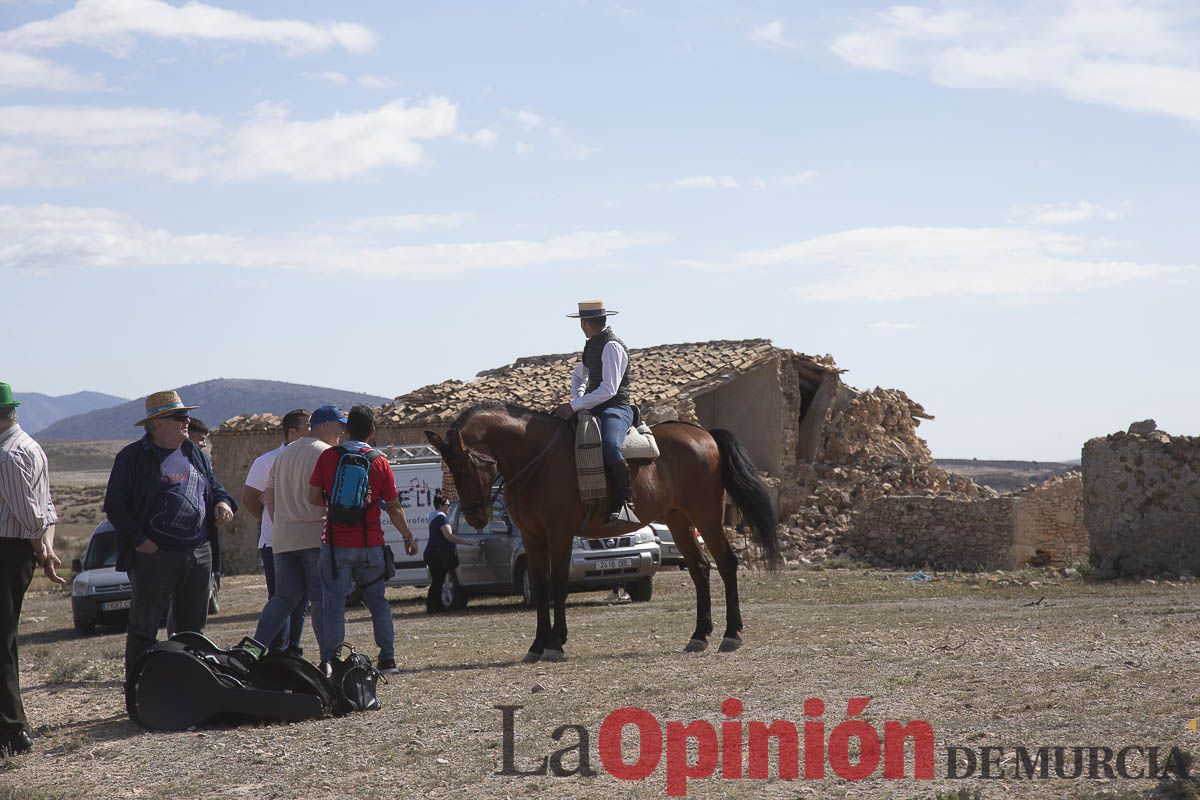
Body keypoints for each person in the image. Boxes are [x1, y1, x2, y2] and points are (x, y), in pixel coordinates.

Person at [103, 390, 236, 679]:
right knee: (144, 628)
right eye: (179, 416)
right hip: (155, 556)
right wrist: (139, 540)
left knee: (192, 631)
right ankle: (140, 688)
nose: (186, 420)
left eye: (185, 415)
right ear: (157, 423)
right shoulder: (132, 458)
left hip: (198, 552)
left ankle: (186, 687)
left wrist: (224, 503)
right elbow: (115, 505)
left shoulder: (194, 453)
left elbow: (216, 489)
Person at [309, 405, 416, 674]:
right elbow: (393, 506)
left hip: (335, 545)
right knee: (377, 602)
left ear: (345, 429)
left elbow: (312, 498)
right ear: (372, 430)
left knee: (333, 604)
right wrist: (407, 535)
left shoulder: (329, 457)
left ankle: (332, 662)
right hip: (371, 545)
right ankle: (388, 659)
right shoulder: (380, 462)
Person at [0, 383, 66, 757]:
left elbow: (30, 518)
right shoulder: (30, 446)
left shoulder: (7, 455)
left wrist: (42, 548)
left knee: (2, 645)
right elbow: (46, 509)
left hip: (8, 551)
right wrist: (47, 550)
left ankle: (12, 731)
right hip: (18, 551)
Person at [251, 406, 343, 656]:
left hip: (283, 539)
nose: (341, 432)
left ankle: (254, 648)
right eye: (339, 425)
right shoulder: (327, 453)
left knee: (283, 598)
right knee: (322, 600)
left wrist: (281, 521)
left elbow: (267, 493)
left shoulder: (285, 453)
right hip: (314, 536)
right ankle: (329, 658)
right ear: (326, 426)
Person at [553, 300, 636, 527]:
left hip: (616, 408)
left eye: (581, 321)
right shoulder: (592, 345)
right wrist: (577, 399)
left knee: (609, 444)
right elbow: (579, 376)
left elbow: (609, 389)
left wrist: (575, 405)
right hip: (592, 406)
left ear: (585, 322)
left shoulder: (611, 346)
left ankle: (625, 501)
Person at [242, 409, 310, 654]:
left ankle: (293, 650)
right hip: (275, 543)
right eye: (307, 427)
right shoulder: (266, 461)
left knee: (301, 601)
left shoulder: (313, 457)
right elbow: (250, 498)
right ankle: (277, 652)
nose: (312, 431)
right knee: (281, 598)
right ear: (292, 432)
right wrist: (270, 522)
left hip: (304, 541)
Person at [422, 492, 476, 613]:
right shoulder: (441, 517)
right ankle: (433, 607)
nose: (449, 506)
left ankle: (434, 606)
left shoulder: (433, 517)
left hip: (431, 553)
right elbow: (448, 535)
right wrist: (466, 542)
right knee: (438, 581)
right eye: (447, 504)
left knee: (438, 581)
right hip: (437, 554)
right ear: (441, 505)